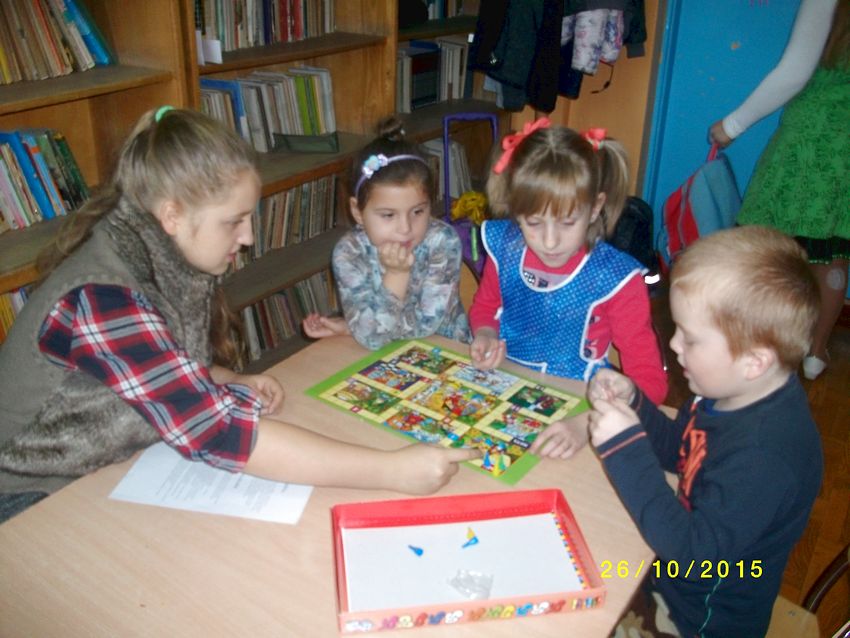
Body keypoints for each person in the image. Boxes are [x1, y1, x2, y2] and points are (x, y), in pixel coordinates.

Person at [0, 108, 479, 523]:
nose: (248, 237)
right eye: (234, 221)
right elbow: (221, 434)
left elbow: (137, 368)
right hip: (28, 501)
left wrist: (214, 375)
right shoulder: (101, 300)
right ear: (171, 215)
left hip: (103, 471)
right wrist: (391, 469)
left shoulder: (161, 251)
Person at [585, 226, 822, 638]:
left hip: (698, 620)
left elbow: (693, 555)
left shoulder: (766, 457)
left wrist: (625, 452)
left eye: (690, 339)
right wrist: (637, 405)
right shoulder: (724, 392)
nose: (674, 345)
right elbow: (683, 450)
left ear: (754, 361)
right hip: (669, 576)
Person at [468, 118, 667, 458]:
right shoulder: (505, 246)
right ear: (516, 212)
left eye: (567, 222)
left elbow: (651, 385)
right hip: (505, 390)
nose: (549, 241)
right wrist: (485, 333)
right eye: (533, 222)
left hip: (584, 412)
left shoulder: (616, 279)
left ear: (596, 209)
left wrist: (588, 423)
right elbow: (485, 309)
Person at [709, 0, 849, 380]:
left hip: (813, 139)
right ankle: (815, 352)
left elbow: (794, 72)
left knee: (771, 246)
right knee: (834, 253)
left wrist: (733, 125)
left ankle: (754, 344)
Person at [302, 117, 471, 349]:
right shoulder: (348, 252)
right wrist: (359, 328)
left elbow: (425, 325)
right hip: (385, 353)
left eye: (418, 211)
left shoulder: (443, 241)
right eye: (388, 215)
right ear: (358, 211)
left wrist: (396, 276)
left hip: (446, 349)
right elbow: (372, 337)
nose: (405, 228)